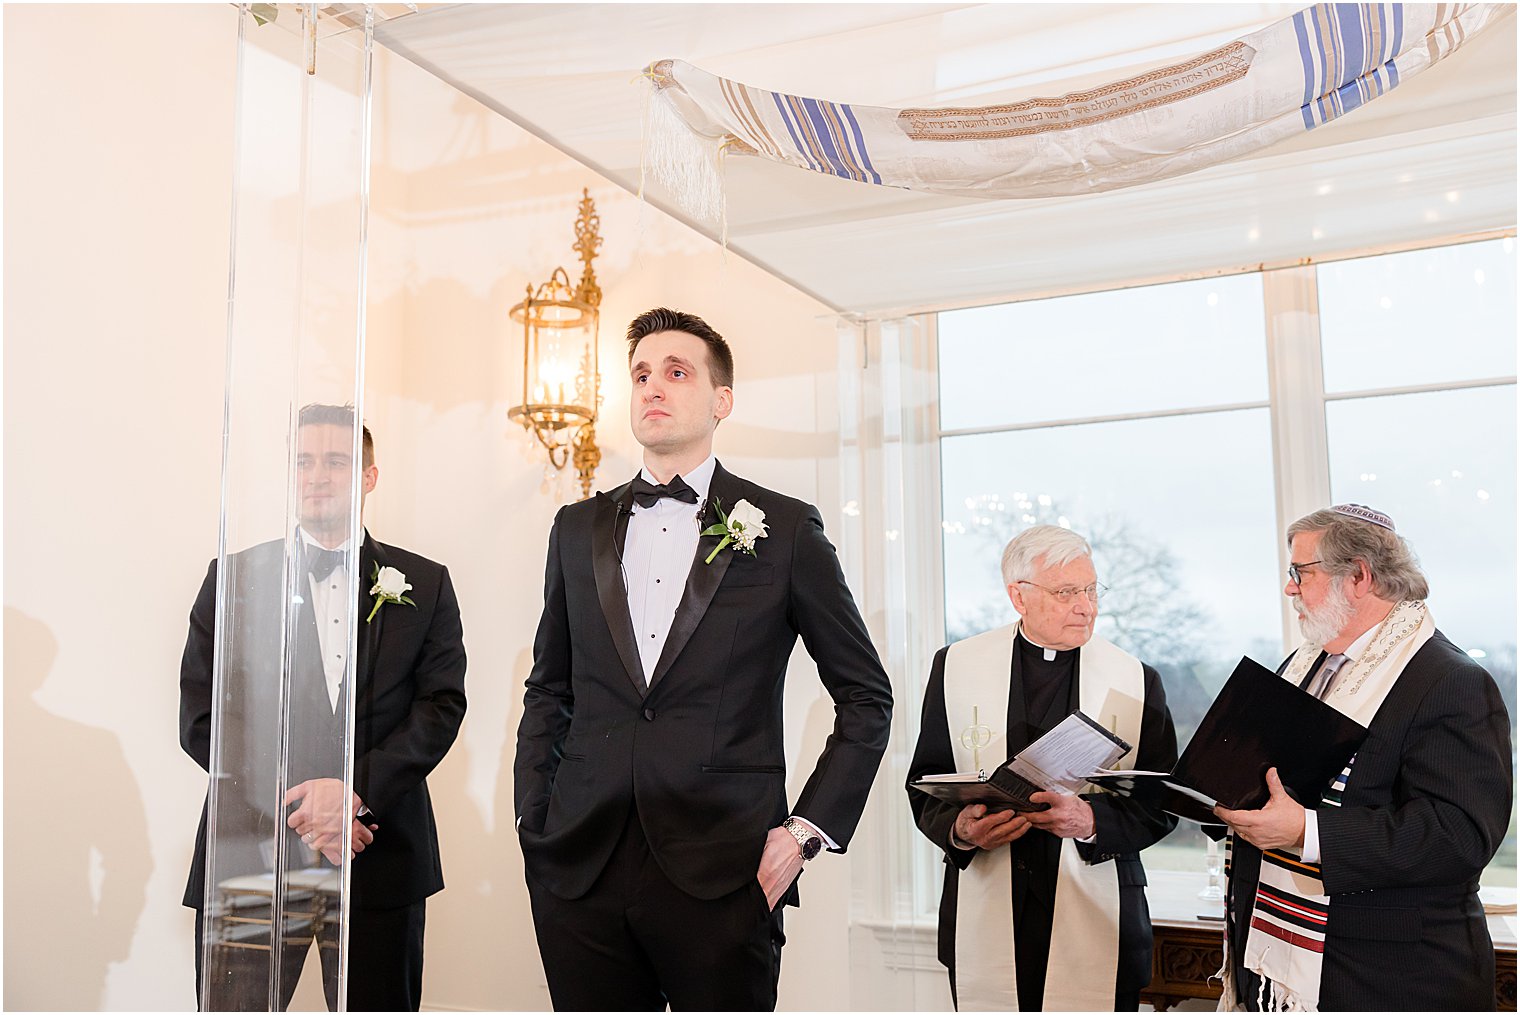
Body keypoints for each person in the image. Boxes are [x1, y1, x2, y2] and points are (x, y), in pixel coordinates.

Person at [514, 307, 893, 1011]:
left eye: (677, 371)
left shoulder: (784, 530)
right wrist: (531, 821)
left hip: (727, 867)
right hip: (580, 865)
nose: (653, 386)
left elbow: (867, 697)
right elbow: (550, 690)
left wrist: (804, 833)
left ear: (721, 401)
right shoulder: (575, 528)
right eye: (641, 374)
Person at [180, 404, 467, 1011]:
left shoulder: (427, 582)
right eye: (304, 462)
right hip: (251, 855)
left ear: (368, 476)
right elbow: (202, 719)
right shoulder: (233, 578)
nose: (317, 476)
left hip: (378, 852)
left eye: (336, 462)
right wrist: (305, 806)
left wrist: (355, 793)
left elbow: (440, 707)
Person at [1214, 504, 1512, 1011]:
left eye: (1299, 573)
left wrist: (1306, 833)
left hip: (1389, 975)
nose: (1290, 589)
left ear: (1358, 576)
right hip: (1276, 956)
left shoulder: (1450, 679)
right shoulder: (1304, 664)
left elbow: (1459, 836)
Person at [907, 524, 1178, 1011]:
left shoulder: (1135, 681)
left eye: (1092, 589)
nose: (1086, 606)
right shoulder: (956, 667)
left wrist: (1092, 821)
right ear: (1019, 595)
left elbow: (1163, 803)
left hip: (1101, 911)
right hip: (988, 906)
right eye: (1067, 592)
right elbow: (925, 784)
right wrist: (962, 830)